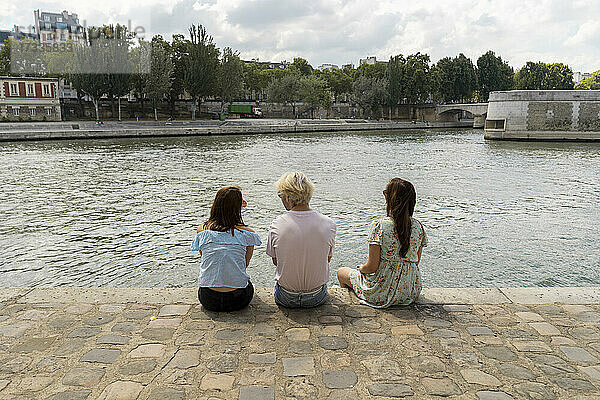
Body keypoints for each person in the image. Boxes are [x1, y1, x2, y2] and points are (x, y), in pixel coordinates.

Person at [337, 178, 427, 308]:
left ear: (391, 199)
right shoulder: (419, 227)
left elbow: (372, 267)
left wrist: (361, 268)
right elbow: (416, 261)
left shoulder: (380, 226)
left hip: (381, 292)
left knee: (341, 272)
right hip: (410, 292)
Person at [266, 172, 336, 308]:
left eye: (280, 195)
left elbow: (276, 261)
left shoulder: (276, 224)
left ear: (287, 197)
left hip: (286, 297)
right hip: (316, 296)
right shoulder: (329, 224)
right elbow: (327, 259)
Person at [191, 186, 261, 312]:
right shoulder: (248, 234)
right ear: (239, 206)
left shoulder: (202, 230)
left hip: (209, 299)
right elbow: (244, 264)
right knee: (247, 282)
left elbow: (206, 259)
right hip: (238, 299)